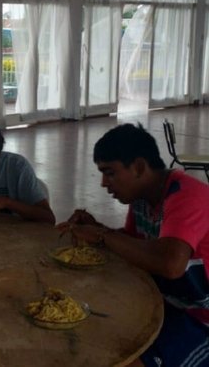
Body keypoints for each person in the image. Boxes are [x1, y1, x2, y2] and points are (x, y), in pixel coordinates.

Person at [59, 123, 209, 367]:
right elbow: (136, 249)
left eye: (110, 173)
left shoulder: (188, 196)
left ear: (139, 167)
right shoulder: (143, 199)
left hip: (199, 317)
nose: (103, 184)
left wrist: (100, 235)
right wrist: (100, 229)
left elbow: (171, 264)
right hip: (166, 303)